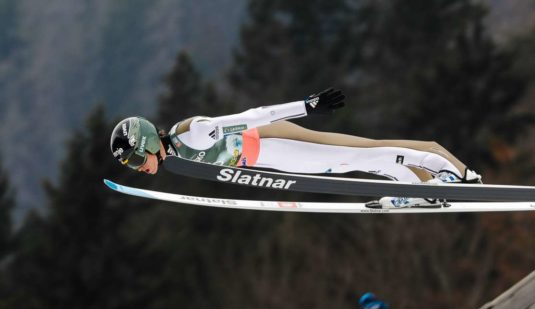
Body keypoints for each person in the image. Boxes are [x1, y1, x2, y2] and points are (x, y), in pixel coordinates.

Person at [109, 88, 482, 209]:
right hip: (273, 157)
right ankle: (414, 188)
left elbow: (252, 116)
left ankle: (453, 170)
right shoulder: (174, 154)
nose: (139, 167)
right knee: (347, 166)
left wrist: (306, 107)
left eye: (138, 158)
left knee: (358, 152)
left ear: (150, 142)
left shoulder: (193, 135)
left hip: (272, 140)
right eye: (132, 165)